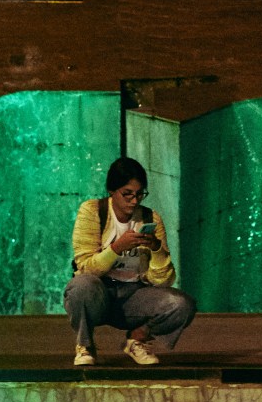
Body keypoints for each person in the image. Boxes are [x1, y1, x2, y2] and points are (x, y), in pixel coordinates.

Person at [64, 156, 196, 368]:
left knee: (182, 305)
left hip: (135, 294)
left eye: (139, 194)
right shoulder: (92, 211)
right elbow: (86, 266)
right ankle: (85, 345)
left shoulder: (150, 218)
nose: (134, 201)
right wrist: (117, 248)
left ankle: (137, 339)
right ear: (112, 191)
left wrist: (156, 249)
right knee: (80, 286)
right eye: (127, 194)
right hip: (100, 293)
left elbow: (164, 281)